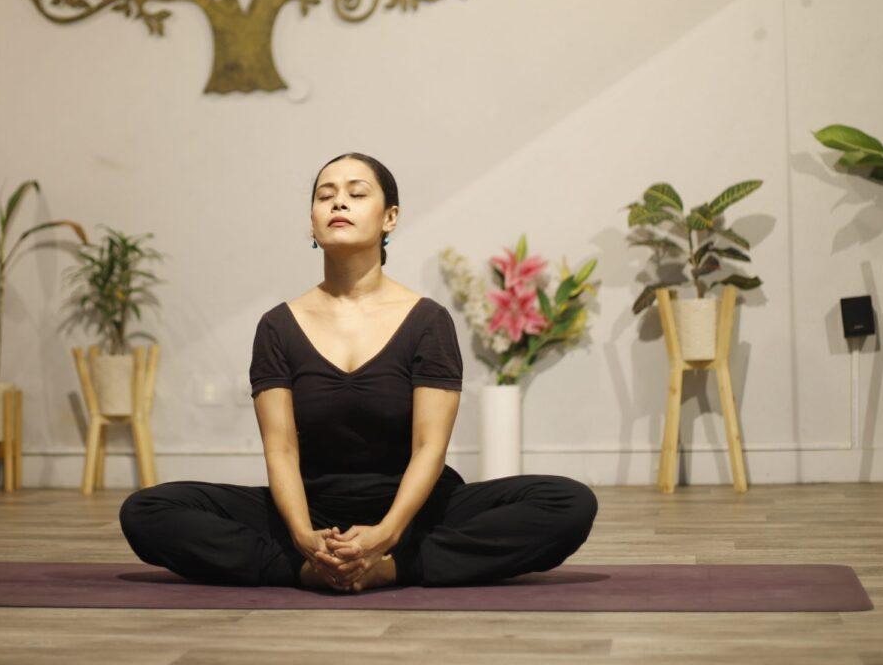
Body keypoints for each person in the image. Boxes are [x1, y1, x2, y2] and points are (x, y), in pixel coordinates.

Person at [119, 152, 597, 590]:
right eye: (325, 196)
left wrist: (386, 535)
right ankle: (306, 567)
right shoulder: (278, 326)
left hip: (415, 510)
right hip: (312, 507)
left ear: (390, 217)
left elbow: (430, 447)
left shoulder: (427, 321)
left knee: (568, 503)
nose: (338, 202)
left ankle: (393, 567)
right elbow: (281, 448)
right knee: (146, 510)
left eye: (356, 192)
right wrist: (305, 537)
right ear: (312, 222)